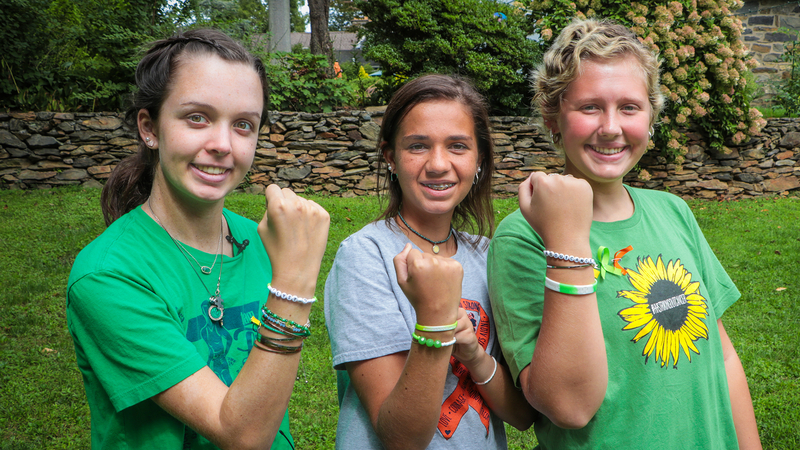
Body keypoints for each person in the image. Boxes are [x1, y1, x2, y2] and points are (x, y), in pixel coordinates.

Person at [487, 18, 762, 449]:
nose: (611, 127)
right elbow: (570, 407)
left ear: (651, 116)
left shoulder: (673, 212)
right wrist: (565, 238)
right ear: (553, 116)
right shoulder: (523, 237)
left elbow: (723, 358)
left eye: (630, 107)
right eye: (590, 106)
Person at [66, 29, 330, 449]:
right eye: (197, 117)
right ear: (149, 128)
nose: (223, 145)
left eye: (244, 125)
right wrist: (294, 286)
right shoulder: (107, 276)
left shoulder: (261, 239)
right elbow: (242, 435)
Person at [324, 74, 535, 449]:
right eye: (418, 146)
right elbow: (401, 437)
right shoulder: (366, 256)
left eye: (457, 146)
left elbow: (521, 416)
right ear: (390, 157)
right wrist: (435, 324)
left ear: (479, 159)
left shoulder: (489, 255)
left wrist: (473, 353)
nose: (438, 164)